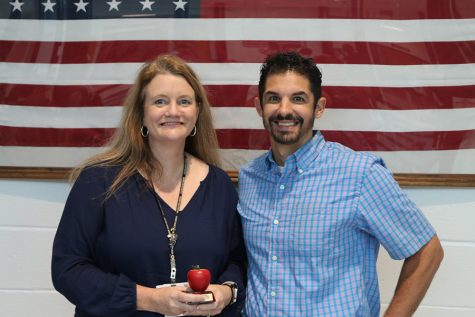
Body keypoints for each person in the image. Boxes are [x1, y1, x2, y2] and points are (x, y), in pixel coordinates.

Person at [237, 51, 444, 317]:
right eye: (273, 98)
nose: (284, 109)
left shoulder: (360, 175)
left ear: (319, 107)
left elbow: (428, 250)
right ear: (259, 107)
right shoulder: (250, 178)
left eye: (298, 98)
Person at [52, 55, 246, 317]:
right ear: (141, 114)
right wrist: (150, 299)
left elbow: (238, 261)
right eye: (160, 101)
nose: (173, 111)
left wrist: (226, 291)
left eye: (184, 101)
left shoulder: (220, 186)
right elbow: (68, 269)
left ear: (197, 113)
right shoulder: (97, 180)